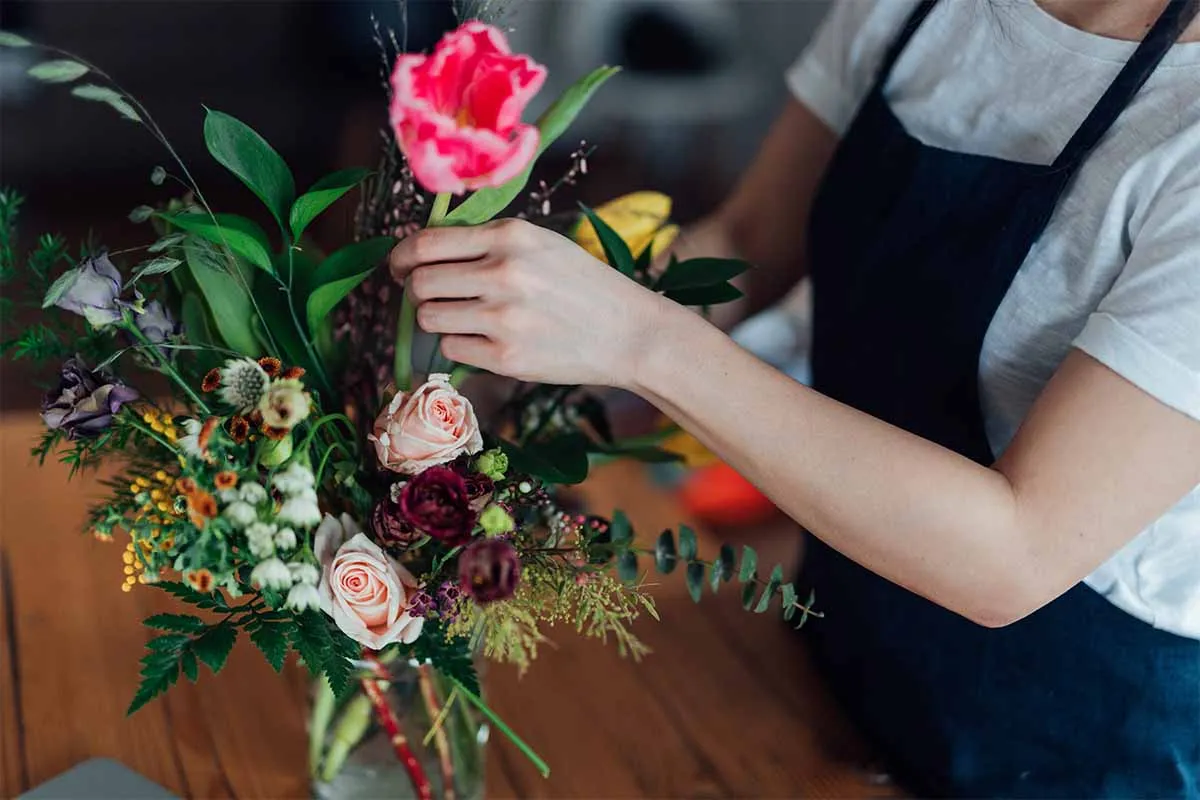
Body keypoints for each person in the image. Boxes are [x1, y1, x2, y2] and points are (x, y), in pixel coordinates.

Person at [389, 0, 1200, 795]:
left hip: (1080, 742)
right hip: (838, 652)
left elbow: (1016, 555)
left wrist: (639, 339)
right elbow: (749, 242)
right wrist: (505, 349)